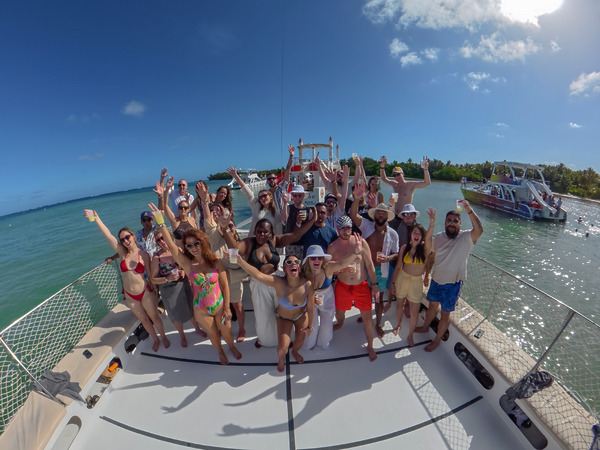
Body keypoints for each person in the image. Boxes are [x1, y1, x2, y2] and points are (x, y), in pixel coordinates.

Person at [149, 203, 242, 365]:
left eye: (196, 244)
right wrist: (160, 221)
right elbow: (171, 245)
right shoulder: (188, 264)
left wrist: (227, 307)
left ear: (202, 242)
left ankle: (231, 347)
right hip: (201, 309)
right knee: (213, 335)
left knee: (227, 334)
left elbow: (225, 286)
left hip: (219, 305)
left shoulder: (215, 261)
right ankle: (220, 352)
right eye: (189, 245)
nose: (193, 248)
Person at [221, 215, 316, 348]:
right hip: (259, 283)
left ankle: (286, 339)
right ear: (254, 231)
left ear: (270, 233)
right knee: (263, 316)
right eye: (259, 231)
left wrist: (312, 220)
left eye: (266, 232)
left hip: (278, 280)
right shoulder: (248, 243)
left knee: (283, 312)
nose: (262, 234)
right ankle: (265, 341)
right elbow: (235, 248)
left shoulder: (273, 241)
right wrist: (225, 228)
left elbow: (295, 236)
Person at [84, 209, 170, 352]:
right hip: (130, 296)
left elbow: (149, 274)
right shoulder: (122, 254)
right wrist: (97, 219)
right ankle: (155, 339)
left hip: (145, 292)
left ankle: (164, 337)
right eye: (122, 239)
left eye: (127, 237)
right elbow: (108, 236)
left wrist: (155, 291)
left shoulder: (144, 255)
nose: (125, 241)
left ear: (133, 236)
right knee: (144, 320)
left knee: (154, 317)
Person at [416, 200, 483, 352]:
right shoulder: (439, 238)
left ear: (460, 223)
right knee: (432, 305)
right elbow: (429, 252)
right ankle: (426, 326)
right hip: (436, 280)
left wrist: (469, 210)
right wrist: (427, 275)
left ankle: (437, 340)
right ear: (445, 223)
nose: (452, 223)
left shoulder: (466, 238)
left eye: (455, 221)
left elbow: (479, 230)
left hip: (452, 285)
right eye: (449, 221)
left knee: (445, 314)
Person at [236, 253, 314, 372]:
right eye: (289, 262)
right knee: (283, 347)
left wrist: (311, 325)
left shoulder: (307, 284)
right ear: (285, 270)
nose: (293, 263)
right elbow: (257, 275)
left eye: (296, 262)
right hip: (284, 318)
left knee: (300, 341)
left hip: (301, 316)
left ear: (299, 267)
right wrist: (240, 261)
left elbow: (311, 307)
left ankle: (295, 352)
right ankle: (281, 359)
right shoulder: (279, 282)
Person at [196, 181, 247, 343]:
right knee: (219, 307)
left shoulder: (228, 226)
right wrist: (205, 201)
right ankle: (221, 329)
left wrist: (230, 230)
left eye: (219, 209)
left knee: (237, 305)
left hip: (231, 269)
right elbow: (207, 216)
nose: (215, 212)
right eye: (213, 211)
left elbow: (237, 248)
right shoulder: (210, 230)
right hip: (217, 276)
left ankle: (242, 328)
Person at [327, 215, 380, 362]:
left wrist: (374, 286)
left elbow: (369, 265)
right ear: (337, 229)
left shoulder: (361, 242)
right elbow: (329, 270)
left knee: (368, 318)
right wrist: (341, 270)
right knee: (339, 313)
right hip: (342, 286)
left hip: (361, 286)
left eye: (348, 228)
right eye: (342, 228)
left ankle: (370, 345)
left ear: (352, 228)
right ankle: (341, 323)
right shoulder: (332, 247)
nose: (345, 231)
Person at [349, 187, 399, 339]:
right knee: (363, 295)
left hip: (381, 270)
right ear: (375, 214)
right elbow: (352, 215)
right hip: (364, 269)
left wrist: (388, 258)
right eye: (379, 213)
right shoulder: (366, 225)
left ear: (387, 217)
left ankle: (377, 323)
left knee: (378, 298)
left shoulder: (393, 234)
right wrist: (357, 198)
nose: (381, 215)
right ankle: (364, 315)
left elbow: (396, 253)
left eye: (384, 214)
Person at [150, 229, 207, 347]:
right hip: (168, 290)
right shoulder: (157, 258)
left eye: (163, 237)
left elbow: (189, 267)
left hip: (183, 285)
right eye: (158, 240)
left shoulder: (179, 250)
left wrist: (183, 272)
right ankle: (182, 336)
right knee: (175, 316)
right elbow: (153, 279)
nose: (161, 241)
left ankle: (197, 328)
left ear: (169, 237)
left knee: (191, 309)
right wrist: (167, 278)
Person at [301, 242, 361, 350]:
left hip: (327, 297)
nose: (316, 260)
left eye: (319, 258)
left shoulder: (328, 268)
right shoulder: (303, 272)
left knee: (327, 325)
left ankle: (323, 343)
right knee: (311, 325)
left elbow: (342, 263)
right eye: (313, 258)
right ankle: (309, 345)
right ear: (308, 260)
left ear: (323, 259)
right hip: (310, 298)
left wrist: (355, 252)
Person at [390, 210, 435, 346]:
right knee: (400, 304)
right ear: (411, 234)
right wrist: (392, 283)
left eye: (419, 233)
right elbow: (398, 267)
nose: (417, 235)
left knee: (414, 312)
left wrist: (432, 223)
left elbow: (429, 239)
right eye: (414, 232)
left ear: (422, 236)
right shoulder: (404, 248)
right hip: (402, 279)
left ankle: (410, 335)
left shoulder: (425, 249)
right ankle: (398, 324)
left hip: (416, 282)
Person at [227, 166, 283, 236]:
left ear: (271, 196)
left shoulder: (276, 212)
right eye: (260, 197)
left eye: (264, 196)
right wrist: (236, 176)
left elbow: (278, 233)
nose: (262, 198)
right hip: (252, 240)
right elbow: (247, 191)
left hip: (267, 244)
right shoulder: (256, 205)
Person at [154, 182, 197, 246]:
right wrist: (162, 194)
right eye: (180, 207)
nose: (183, 209)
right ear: (178, 209)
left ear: (188, 209)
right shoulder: (175, 221)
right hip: (181, 253)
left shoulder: (192, 220)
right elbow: (165, 206)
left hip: (194, 251)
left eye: (185, 208)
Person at [266, 144, 296, 216]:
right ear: (267, 181)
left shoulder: (282, 187)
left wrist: (291, 156)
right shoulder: (266, 194)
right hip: (274, 220)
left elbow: (288, 169)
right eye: (269, 179)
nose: (272, 180)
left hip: (285, 217)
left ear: (276, 179)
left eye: (273, 178)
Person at [284, 185, 313, 259]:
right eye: (295, 195)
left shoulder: (308, 210)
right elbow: (284, 220)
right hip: (290, 243)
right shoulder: (288, 208)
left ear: (303, 196)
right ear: (292, 196)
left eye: (299, 195)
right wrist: (284, 203)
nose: (297, 197)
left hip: (303, 243)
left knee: (303, 267)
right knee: (290, 265)